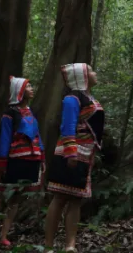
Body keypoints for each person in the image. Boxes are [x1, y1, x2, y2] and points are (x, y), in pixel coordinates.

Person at [44, 63, 104, 253]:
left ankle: (70, 244)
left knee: (76, 199)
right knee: (60, 197)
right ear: (83, 76)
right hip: (70, 152)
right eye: (91, 71)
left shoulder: (89, 98)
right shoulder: (72, 99)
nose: (95, 73)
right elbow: (67, 126)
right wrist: (71, 153)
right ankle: (48, 246)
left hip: (85, 153)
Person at [0, 76, 43, 249]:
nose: (32, 88)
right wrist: (1, 163)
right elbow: (5, 138)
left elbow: (38, 135)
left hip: (31, 159)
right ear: (20, 91)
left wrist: (42, 157)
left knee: (16, 199)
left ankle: (3, 236)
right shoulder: (10, 113)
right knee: (1, 196)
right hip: (15, 160)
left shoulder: (30, 112)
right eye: (28, 86)